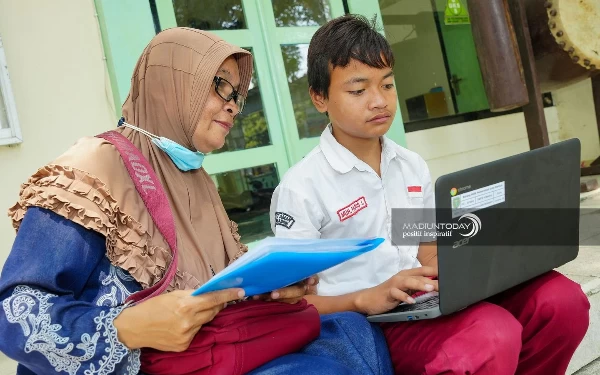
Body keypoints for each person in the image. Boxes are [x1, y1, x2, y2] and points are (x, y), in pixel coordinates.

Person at [0, 27, 392, 375]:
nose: (234, 105)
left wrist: (272, 288)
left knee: (353, 336)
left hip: (208, 356)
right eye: (219, 85)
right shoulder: (93, 171)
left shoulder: (193, 179)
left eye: (238, 94)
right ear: (169, 86)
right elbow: (12, 315)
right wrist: (127, 328)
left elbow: (206, 294)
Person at [270, 14, 590, 375]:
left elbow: (423, 247)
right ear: (319, 97)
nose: (379, 101)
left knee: (560, 301)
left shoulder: (409, 165)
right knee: (490, 336)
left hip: (423, 301)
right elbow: (295, 304)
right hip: (367, 325)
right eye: (358, 90)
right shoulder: (303, 187)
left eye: (387, 85)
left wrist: (473, 260)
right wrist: (365, 298)